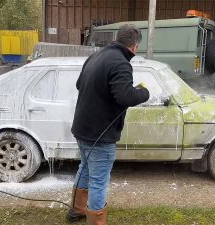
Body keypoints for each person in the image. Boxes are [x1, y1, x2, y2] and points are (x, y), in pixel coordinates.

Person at [68, 24, 149, 225]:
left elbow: (80, 85)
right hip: (100, 135)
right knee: (98, 180)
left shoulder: (95, 57)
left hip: (82, 128)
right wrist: (144, 92)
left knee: (85, 168)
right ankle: (96, 222)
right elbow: (124, 96)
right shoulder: (121, 63)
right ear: (134, 46)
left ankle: (77, 210)